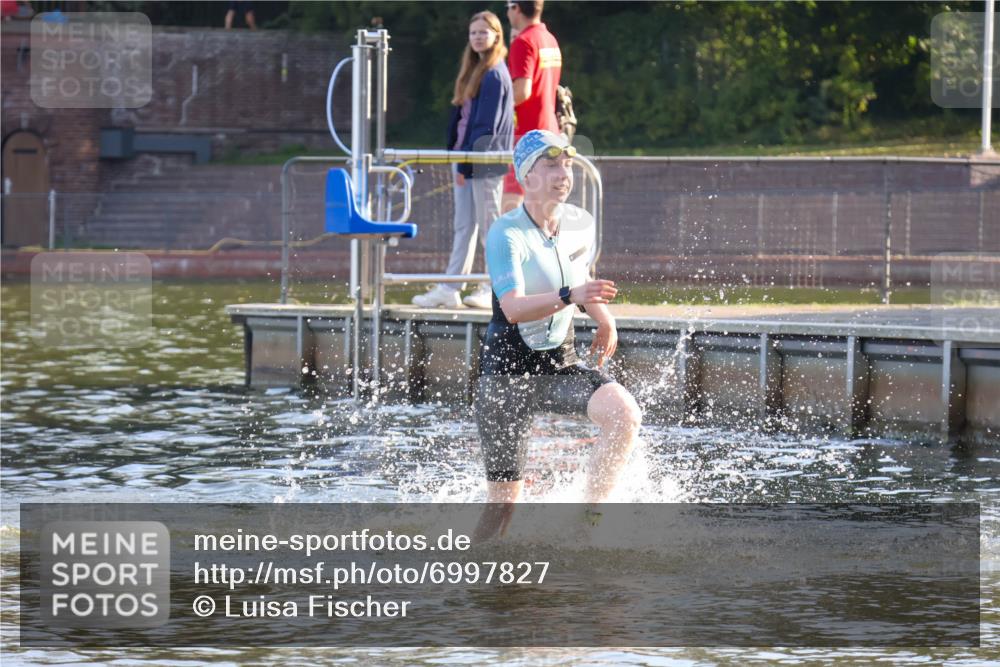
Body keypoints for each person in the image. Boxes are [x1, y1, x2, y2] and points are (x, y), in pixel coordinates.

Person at [474, 130, 642, 539]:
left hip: (558, 367)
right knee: (502, 510)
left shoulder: (578, 224)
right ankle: (467, 578)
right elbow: (512, 308)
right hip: (506, 379)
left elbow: (578, 276)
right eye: (551, 165)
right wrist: (571, 296)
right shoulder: (506, 233)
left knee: (625, 415)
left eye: (567, 164)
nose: (563, 173)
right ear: (526, 177)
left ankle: (587, 520)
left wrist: (604, 318)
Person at [413, 11, 514, 310]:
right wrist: (459, 160)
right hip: (466, 161)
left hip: (482, 163)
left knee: (490, 227)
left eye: (484, 32)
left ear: (497, 35)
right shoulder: (475, 69)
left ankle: (494, 286)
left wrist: (466, 164)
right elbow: (463, 119)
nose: (478, 37)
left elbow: (486, 127)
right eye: (473, 33)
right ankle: (450, 286)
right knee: (464, 226)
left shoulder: (495, 73)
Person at [501, 0, 562, 215]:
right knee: (542, 208)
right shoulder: (550, 39)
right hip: (550, 131)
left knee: (509, 207)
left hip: (526, 136)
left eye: (507, 7)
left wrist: (495, 111)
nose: (507, 13)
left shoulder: (524, 41)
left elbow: (523, 91)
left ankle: (509, 249)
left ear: (516, 8)